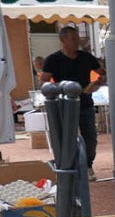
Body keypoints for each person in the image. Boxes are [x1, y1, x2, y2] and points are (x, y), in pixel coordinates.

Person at [40, 26, 105, 180]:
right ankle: (68, 167)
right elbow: (43, 83)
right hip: (63, 105)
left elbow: (102, 73)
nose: (77, 42)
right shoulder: (53, 60)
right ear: (63, 40)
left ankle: (87, 165)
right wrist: (62, 86)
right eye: (73, 39)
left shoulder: (86, 57)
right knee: (66, 137)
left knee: (90, 137)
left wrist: (98, 82)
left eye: (77, 38)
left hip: (85, 103)